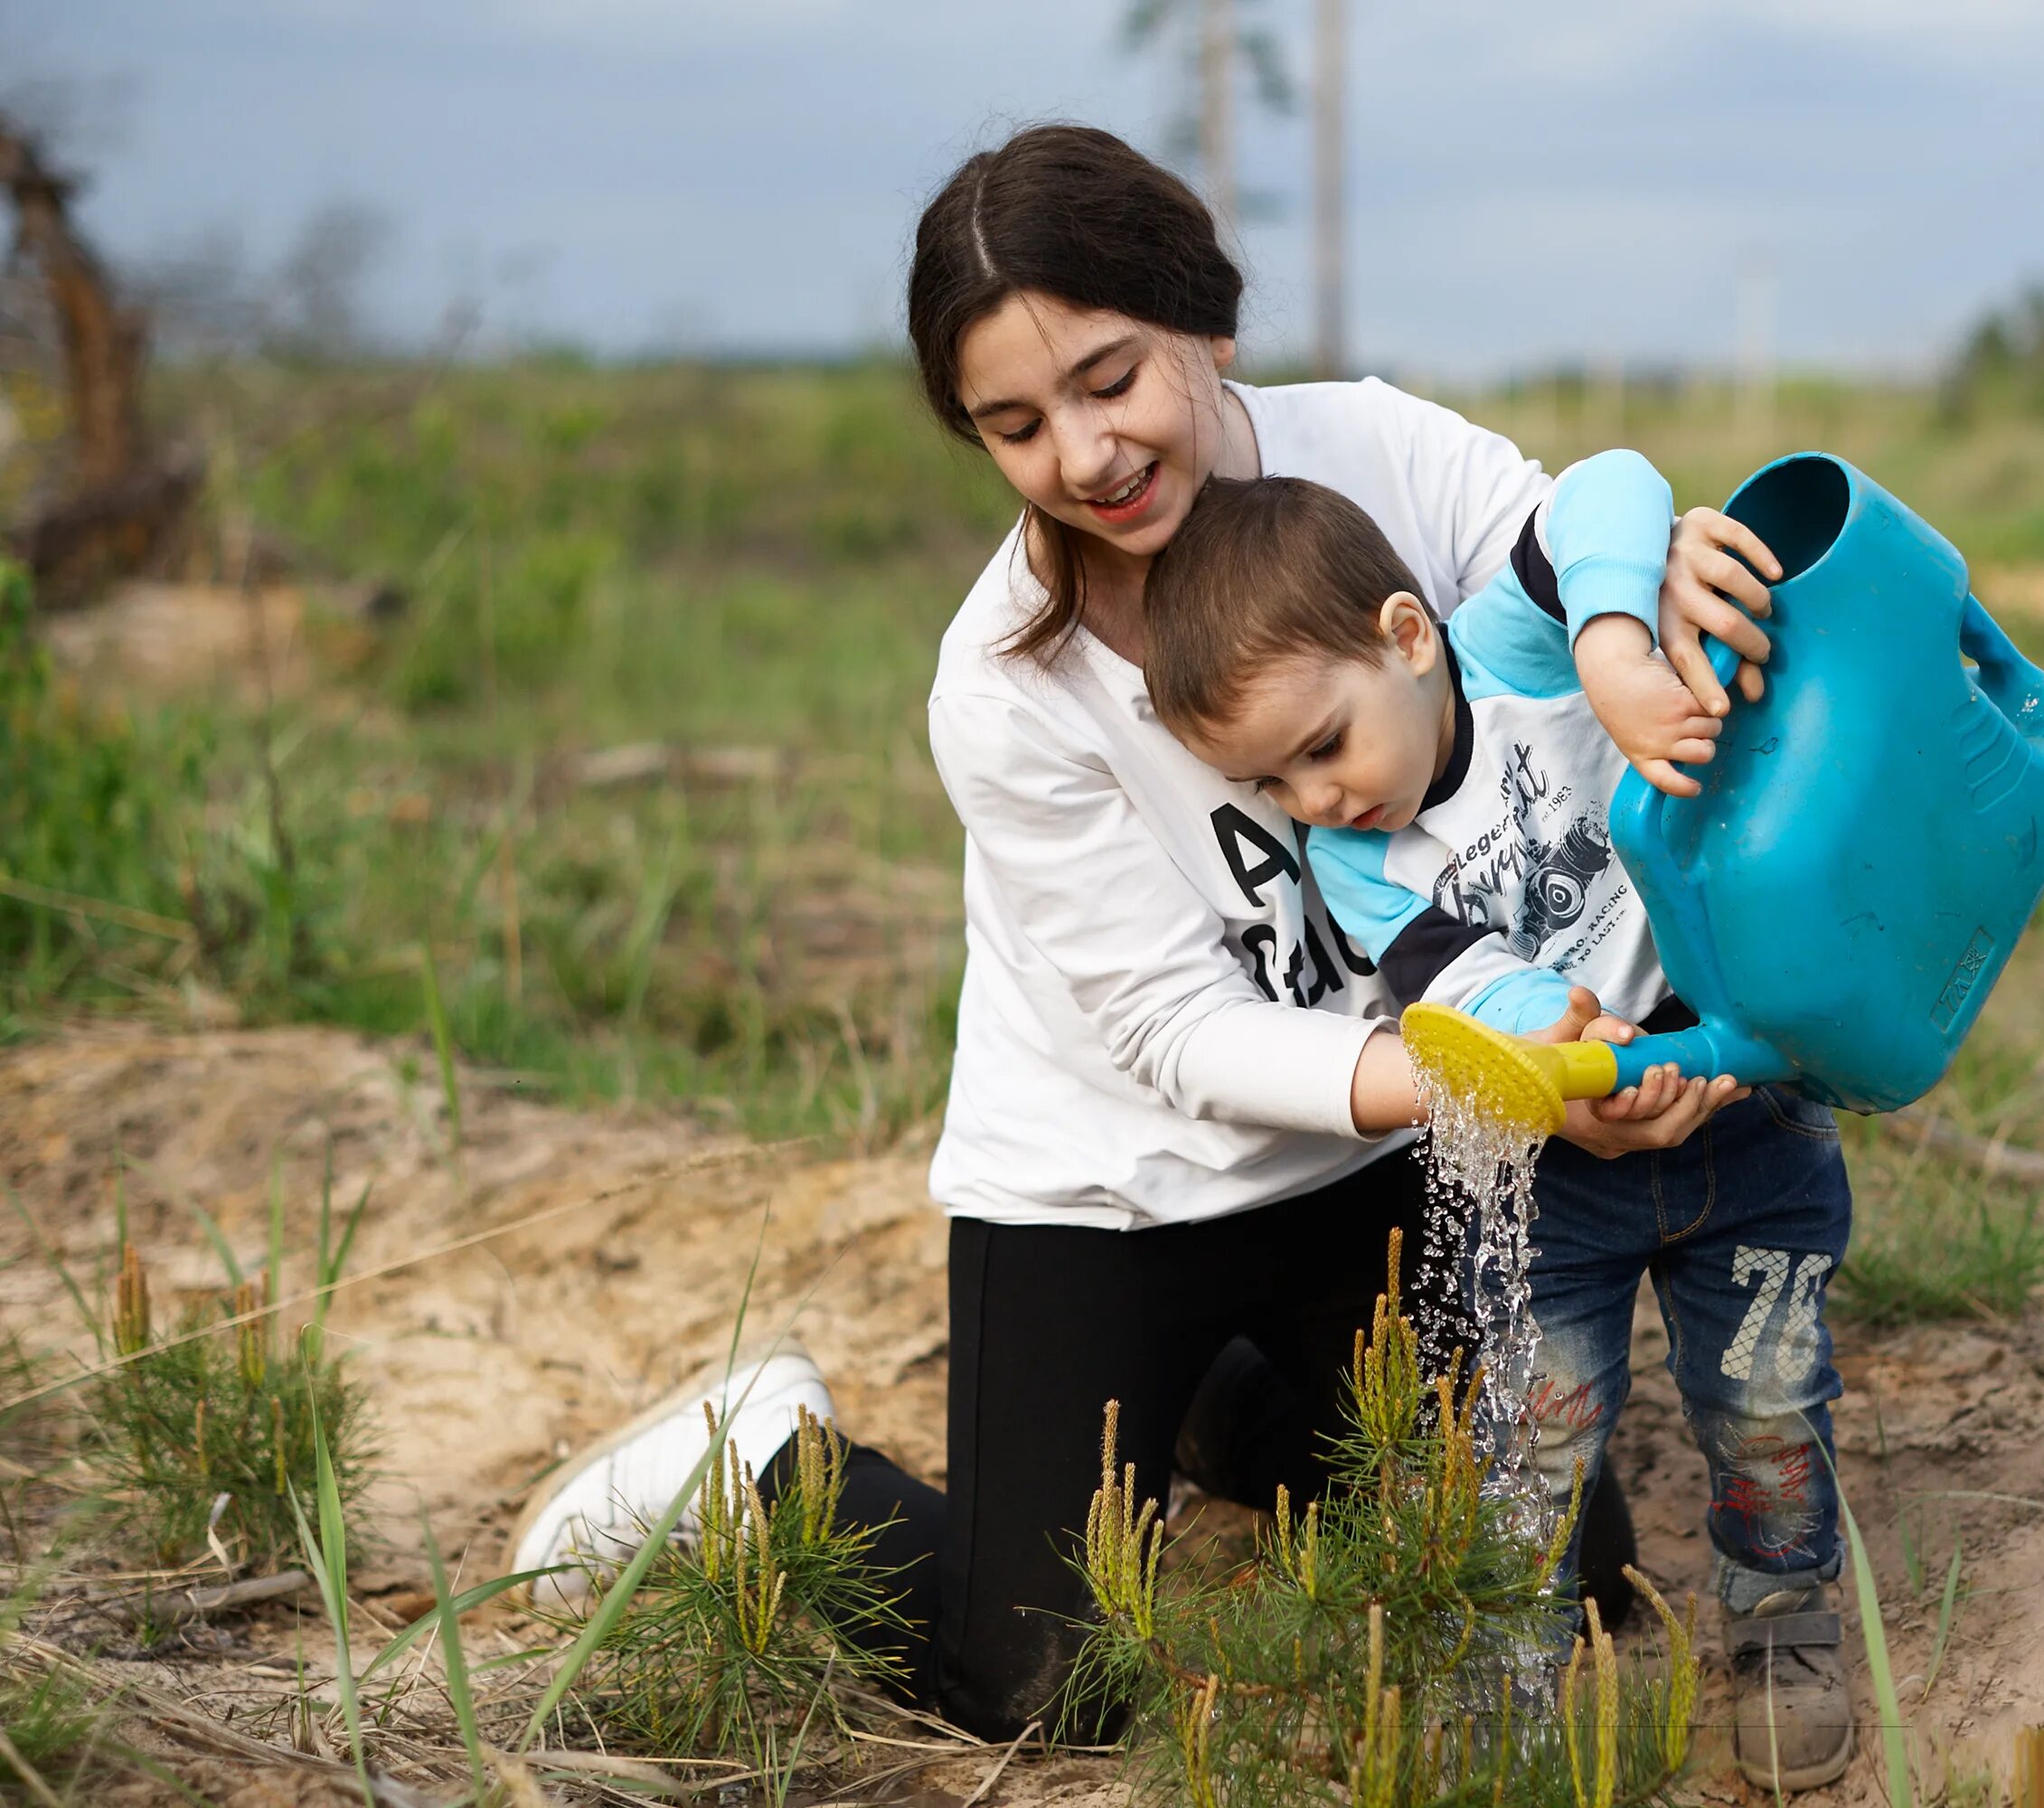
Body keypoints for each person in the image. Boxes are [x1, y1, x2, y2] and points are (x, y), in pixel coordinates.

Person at [506, 123, 1786, 1742]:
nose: (1086, 453)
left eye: (1112, 378)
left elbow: (1572, 547)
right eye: (1016, 424)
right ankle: (762, 1470)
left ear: (1203, 319)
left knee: (1558, 1585)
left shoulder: (1379, 459)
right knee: (1048, 1686)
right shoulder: (1003, 683)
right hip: (1115, 1189)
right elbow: (1173, 1038)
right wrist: (1482, 1081)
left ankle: (1225, 1416)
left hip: (1380, 1161)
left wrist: (1633, 605)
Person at [1140, 458, 1860, 1791]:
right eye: (1274, 784)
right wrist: (1569, 1050)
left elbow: (1608, 485)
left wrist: (1615, 644)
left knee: (1765, 1392)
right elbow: (1477, 995)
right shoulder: (1361, 865)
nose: (1316, 800)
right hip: (1559, 1180)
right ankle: (1505, 1672)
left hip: (1747, 1103)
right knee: (1531, 1436)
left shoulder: (1517, 647)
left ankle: (1780, 1614)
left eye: (1322, 746)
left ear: (1407, 638)